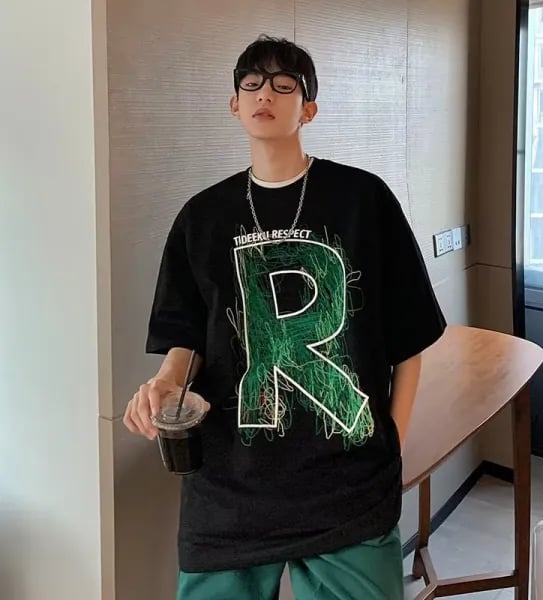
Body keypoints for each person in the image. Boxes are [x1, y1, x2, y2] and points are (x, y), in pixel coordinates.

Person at [124, 34, 446, 600]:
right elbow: (186, 335)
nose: (264, 94)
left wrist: (390, 445)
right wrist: (168, 381)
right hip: (229, 489)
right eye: (250, 84)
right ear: (234, 105)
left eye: (283, 84)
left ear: (308, 109)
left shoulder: (363, 199)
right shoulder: (202, 216)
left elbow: (408, 341)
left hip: (346, 486)